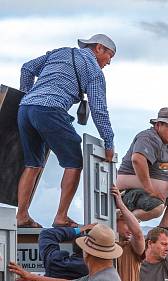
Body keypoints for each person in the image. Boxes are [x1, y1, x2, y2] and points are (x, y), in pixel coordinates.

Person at [16, 34, 116, 229]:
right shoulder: (94, 71)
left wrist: (27, 94)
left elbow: (27, 68)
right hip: (50, 110)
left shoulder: (60, 52)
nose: (109, 62)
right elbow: (99, 110)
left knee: (32, 164)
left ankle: (21, 215)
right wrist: (109, 142)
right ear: (99, 48)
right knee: (74, 162)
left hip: (25, 110)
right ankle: (61, 217)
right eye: (110, 56)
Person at [116, 107, 168, 233]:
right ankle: (122, 219)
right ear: (158, 125)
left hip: (156, 194)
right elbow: (138, 160)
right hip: (130, 192)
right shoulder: (148, 137)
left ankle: (164, 225)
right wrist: (150, 190)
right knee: (156, 208)